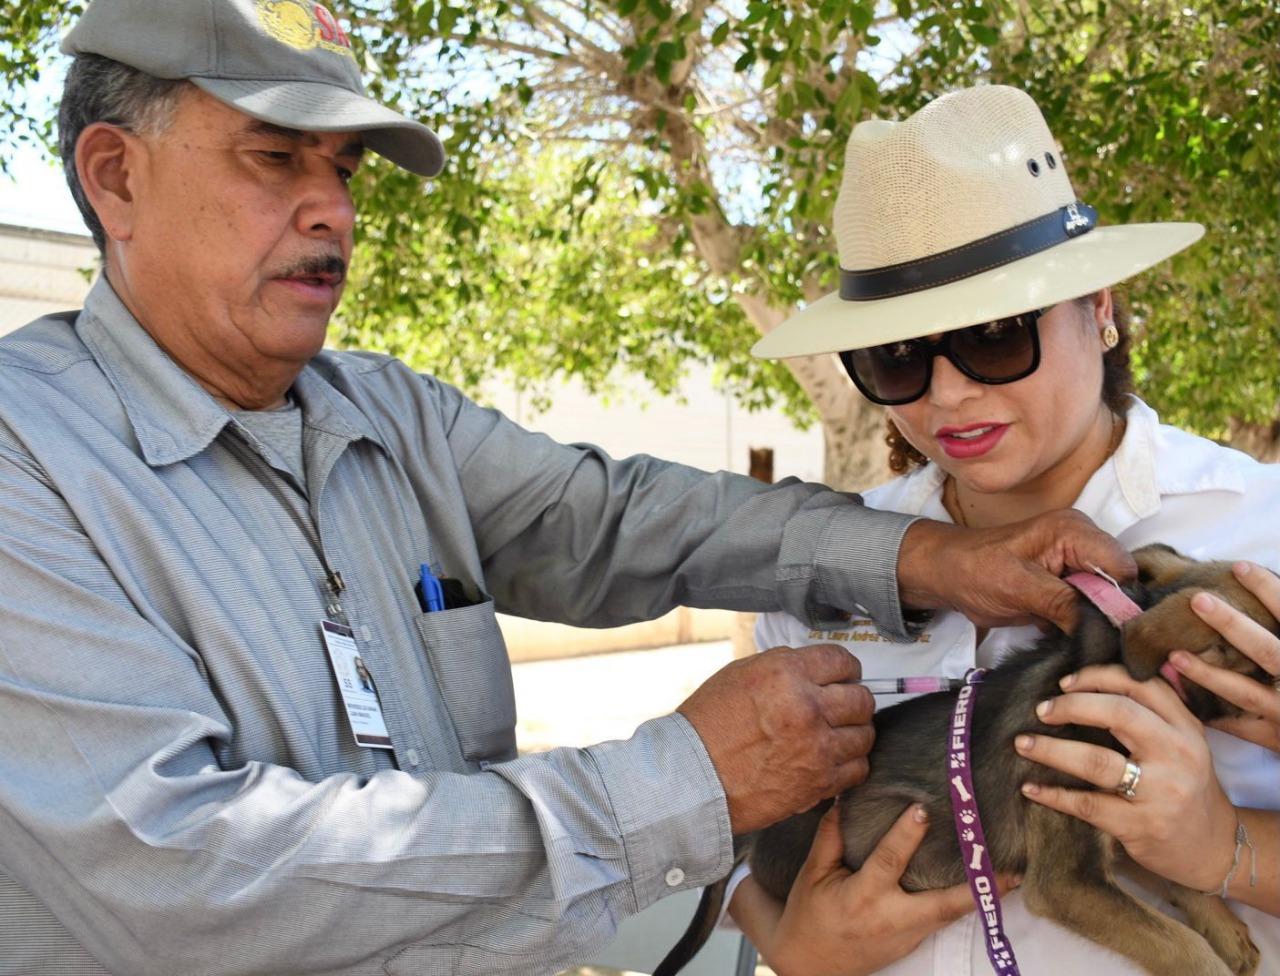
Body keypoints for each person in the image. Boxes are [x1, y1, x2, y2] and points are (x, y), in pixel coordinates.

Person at [0, 5, 1134, 975]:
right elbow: (170, 863)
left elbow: (618, 518)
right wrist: (678, 783)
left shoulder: (383, 416)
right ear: (115, 176)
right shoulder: (29, 456)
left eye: (340, 172)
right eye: (274, 157)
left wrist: (923, 559)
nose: (332, 211)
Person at [733, 84, 1280, 975]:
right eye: (897, 356)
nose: (947, 396)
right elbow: (736, 833)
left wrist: (1227, 847)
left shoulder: (1260, 534)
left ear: (1100, 309)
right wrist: (784, 938)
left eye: (993, 336)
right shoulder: (822, 564)